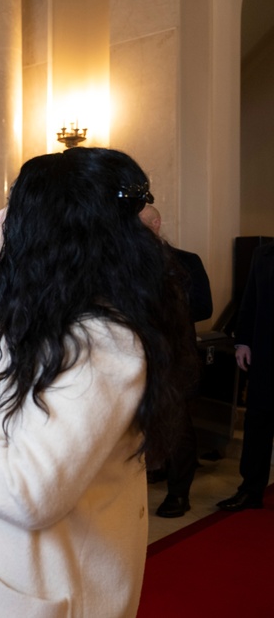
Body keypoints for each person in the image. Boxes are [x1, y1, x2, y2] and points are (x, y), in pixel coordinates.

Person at [0, 147, 197, 617]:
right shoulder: (54, 312)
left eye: (16, 200)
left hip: (33, 591)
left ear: (58, 225)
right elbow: (21, 403)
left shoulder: (102, 341)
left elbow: (28, 487)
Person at [139, 204, 212, 517]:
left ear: (156, 223)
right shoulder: (124, 263)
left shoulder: (185, 261)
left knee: (179, 426)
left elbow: (204, 307)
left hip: (174, 357)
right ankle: (158, 467)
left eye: (139, 224)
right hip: (137, 358)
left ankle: (179, 493)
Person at [218, 241, 274, 511]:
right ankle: (250, 489)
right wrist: (243, 341)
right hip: (265, 354)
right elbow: (249, 297)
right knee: (258, 423)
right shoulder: (263, 253)